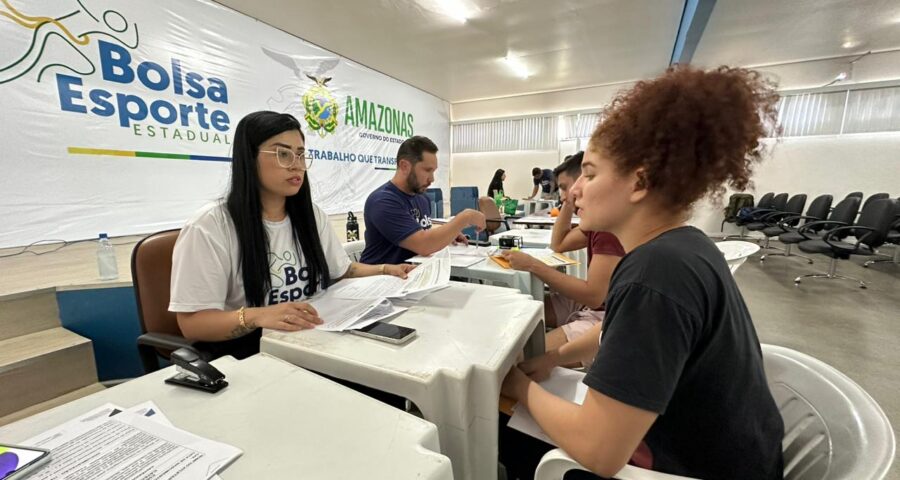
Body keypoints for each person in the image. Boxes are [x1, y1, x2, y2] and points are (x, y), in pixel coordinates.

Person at [500, 66, 784, 480]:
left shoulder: (654, 273)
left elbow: (600, 451)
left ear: (640, 182)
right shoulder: (686, 245)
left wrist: (517, 386)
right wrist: (550, 358)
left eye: (591, 174)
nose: (575, 190)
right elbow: (614, 331)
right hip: (733, 455)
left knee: (507, 432)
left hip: (684, 469)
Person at [169, 111, 414, 358]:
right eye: (283, 154)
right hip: (254, 353)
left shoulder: (311, 215)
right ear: (248, 157)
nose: (296, 164)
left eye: (300, 154)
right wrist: (259, 315)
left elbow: (341, 272)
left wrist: (385, 269)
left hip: (317, 340)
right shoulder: (210, 226)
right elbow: (193, 325)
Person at [501, 152, 624, 351]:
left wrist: (532, 265)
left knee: (526, 354)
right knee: (521, 311)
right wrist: (568, 203)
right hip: (592, 306)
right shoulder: (595, 221)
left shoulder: (608, 227)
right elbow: (558, 244)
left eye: (565, 188)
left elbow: (594, 295)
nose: (563, 194)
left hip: (608, 317)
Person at [360, 136, 486, 265]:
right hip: (380, 279)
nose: (432, 179)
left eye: (433, 171)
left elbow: (419, 231)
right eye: (427, 170)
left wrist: (448, 234)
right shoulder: (382, 201)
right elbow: (424, 245)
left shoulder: (421, 198)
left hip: (411, 274)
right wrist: (465, 217)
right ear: (404, 166)